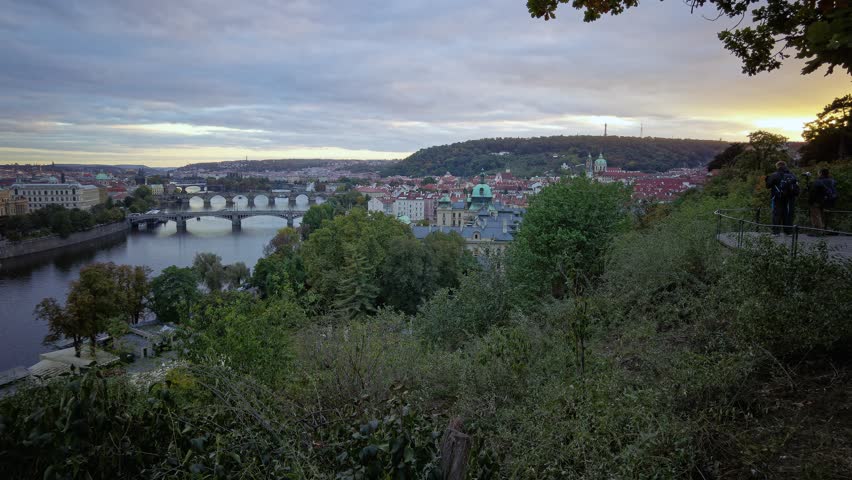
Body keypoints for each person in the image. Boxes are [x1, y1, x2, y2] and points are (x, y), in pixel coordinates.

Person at [765, 161, 799, 234]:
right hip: (790, 198)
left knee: (777, 214)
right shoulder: (792, 175)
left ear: (777, 166)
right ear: (785, 166)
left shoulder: (774, 175)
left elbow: (768, 185)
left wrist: (767, 179)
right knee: (788, 214)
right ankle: (788, 231)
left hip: (777, 198)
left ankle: (776, 232)